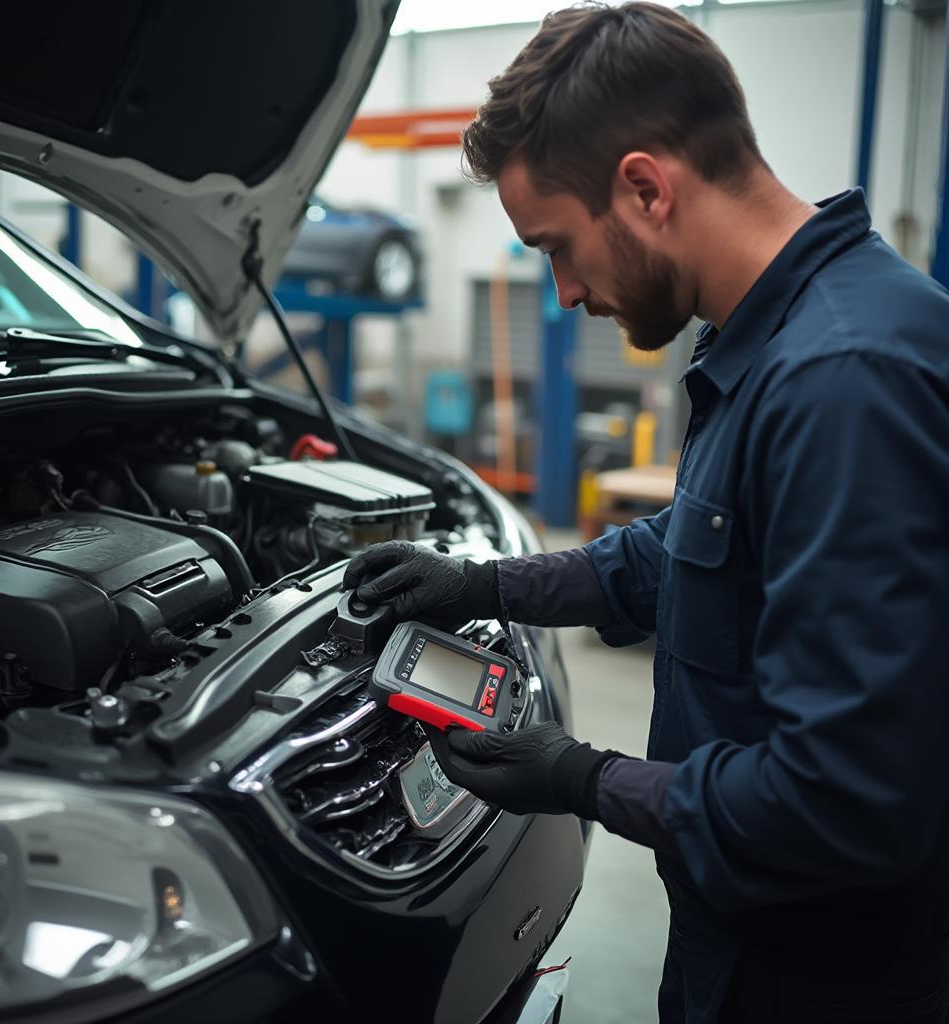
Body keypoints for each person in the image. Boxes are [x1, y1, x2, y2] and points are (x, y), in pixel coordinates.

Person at [343, 3, 949, 1021]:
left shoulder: (843, 381)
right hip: (745, 930)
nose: (564, 291)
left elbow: (846, 801)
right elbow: (686, 557)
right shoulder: (779, 339)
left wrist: (584, 777)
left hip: (820, 973)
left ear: (643, 188)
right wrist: (484, 583)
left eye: (558, 246)